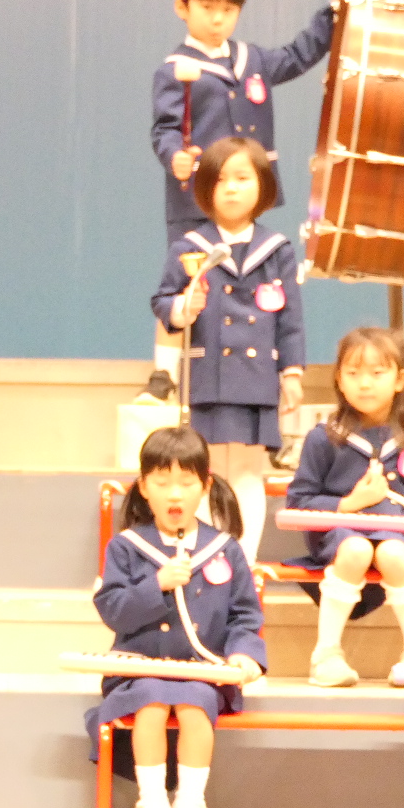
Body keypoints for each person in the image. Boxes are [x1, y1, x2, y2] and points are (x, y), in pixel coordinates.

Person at [138, 0, 333, 408]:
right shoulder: (173, 69)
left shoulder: (253, 60)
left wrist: (333, 17)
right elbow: (164, 130)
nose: (218, 19)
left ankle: (242, 374)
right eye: (207, 8)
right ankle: (163, 375)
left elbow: (298, 55)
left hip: (245, 197)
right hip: (195, 199)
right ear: (182, 7)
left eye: (228, 10)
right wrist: (175, 158)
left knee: (247, 284)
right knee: (182, 283)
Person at [87, 426, 266, 808]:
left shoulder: (225, 548)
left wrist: (244, 654)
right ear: (143, 487)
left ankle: (190, 804)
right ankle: (151, 804)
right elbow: (112, 610)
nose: (174, 494)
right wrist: (157, 585)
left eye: (186, 482)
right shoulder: (126, 547)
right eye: (162, 482)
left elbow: (244, 615)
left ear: (205, 486)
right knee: (150, 703)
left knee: (194, 704)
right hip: (140, 669)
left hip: (202, 671)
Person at [285, 328, 404, 687]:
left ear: (399, 379)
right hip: (340, 534)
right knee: (355, 549)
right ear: (338, 379)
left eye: (377, 373)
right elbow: (300, 501)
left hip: (401, 534)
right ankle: (326, 655)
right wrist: (349, 504)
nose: (364, 383)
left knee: (394, 553)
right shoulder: (323, 437)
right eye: (353, 373)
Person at [150, 137, 304, 560]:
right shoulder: (189, 247)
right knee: (208, 471)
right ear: (205, 189)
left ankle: (243, 564)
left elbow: (291, 319)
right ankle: (208, 558)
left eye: (242, 178)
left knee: (249, 472)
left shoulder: (277, 250)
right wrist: (185, 307)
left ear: (263, 185)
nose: (231, 188)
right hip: (209, 375)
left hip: (257, 379)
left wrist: (292, 373)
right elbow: (162, 302)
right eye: (220, 180)